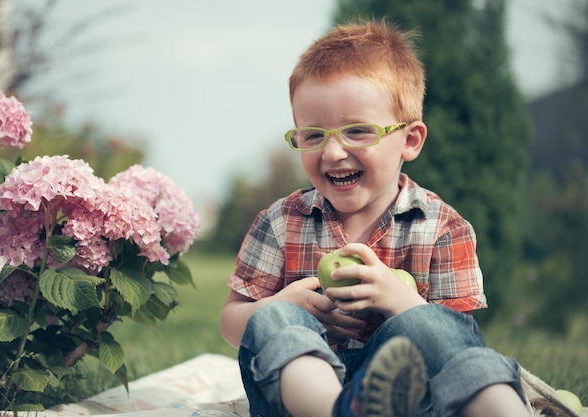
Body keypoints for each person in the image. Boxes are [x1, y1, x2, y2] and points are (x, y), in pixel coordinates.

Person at [220, 19, 530, 417]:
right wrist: (282, 303)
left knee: (428, 325)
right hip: (299, 400)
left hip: (409, 400)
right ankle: (339, 410)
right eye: (313, 135)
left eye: (358, 131)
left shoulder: (441, 227)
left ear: (410, 140)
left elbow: (454, 342)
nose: (332, 153)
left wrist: (400, 301)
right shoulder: (281, 221)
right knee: (273, 316)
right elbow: (231, 323)